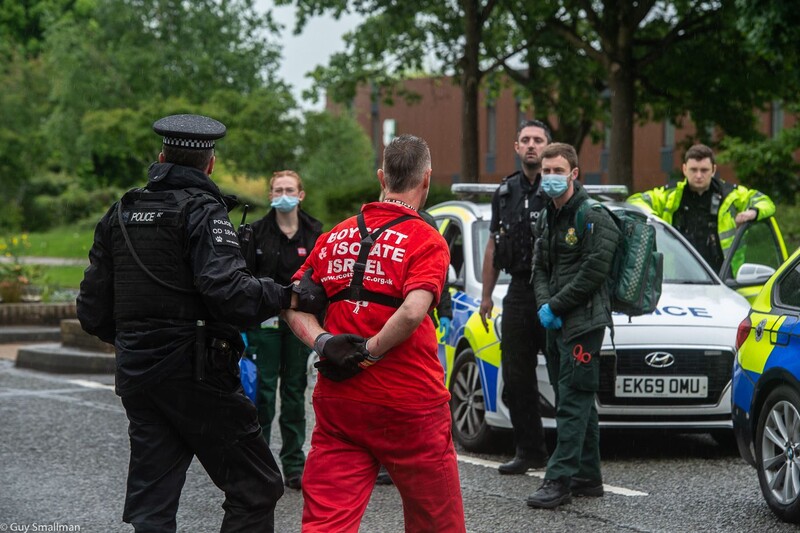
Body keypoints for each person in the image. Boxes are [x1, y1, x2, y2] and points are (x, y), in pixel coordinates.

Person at [77, 114, 323, 533]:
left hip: (138, 375)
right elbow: (228, 293)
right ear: (209, 164)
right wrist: (288, 295)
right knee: (257, 486)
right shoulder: (203, 212)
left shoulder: (121, 212)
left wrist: (138, 338)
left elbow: (92, 311)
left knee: (152, 505)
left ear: (161, 157)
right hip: (195, 374)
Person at [283, 134, 466, 532]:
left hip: (341, 402)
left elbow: (291, 303)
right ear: (427, 180)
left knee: (327, 520)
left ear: (381, 177)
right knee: (436, 521)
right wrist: (370, 351)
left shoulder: (333, 236)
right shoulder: (426, 240)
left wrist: (325, 342)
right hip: (410, 402)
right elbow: (414, 310)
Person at [526, 143, 620, 509]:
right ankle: (587, 475)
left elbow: (594, 272)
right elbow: (539, 268)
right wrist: (544, 306)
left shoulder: (592, 215)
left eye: (557, 171)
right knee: (576, 400)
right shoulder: (547, 216)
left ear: (574, 173)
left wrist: (556, 304)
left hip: (584, 323)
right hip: (556, 321)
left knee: (573, 400)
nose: (549, 177)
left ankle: (559, 479)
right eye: (545, 171)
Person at [478, 119, 551, 475]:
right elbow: (493, 244)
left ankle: (571, 458)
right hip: (519, 289)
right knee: (518, 375)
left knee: (561, 373)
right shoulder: (505, 191)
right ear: (516, 147)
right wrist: (486, 296)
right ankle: (529, 451)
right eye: (526, 140)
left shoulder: (559, 186)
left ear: (548, 146)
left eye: (538, 140)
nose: (532, 145)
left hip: (554, 289)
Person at [242, 170, 323, 491]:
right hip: (265, 324)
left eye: (289, 189)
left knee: (293, 393)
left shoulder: (315, 232)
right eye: (278, 190)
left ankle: (293, 465)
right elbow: (243, 279)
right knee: (262, 396)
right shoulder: (256, 232)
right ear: (270, 195)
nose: (283, 195)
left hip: (300, 324)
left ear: (301, 195)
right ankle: (258, 466)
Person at [627, 143, 775, 272]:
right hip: (679, 277)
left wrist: (753, 212)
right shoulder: (670, 195)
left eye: (704, 170)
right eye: (693, 169)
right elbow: (635, 200)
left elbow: (765, 201)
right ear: (684, 169)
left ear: (714, 170)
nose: (698, 175)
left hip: (723, 277)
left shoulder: (731, 194)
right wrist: (655, 218)